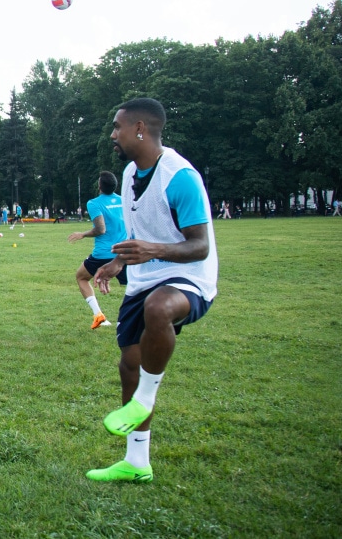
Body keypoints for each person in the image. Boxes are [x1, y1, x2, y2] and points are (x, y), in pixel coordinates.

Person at [86, 98, 218, 483]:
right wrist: (119, 262)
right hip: (143, 277)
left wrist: (153, 251)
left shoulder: (180, 177)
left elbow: (200, 246)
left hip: (189, 277)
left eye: (117, 127)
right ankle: (137, 462)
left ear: (140, 128)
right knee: (129, 365)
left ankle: (145, 398)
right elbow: (138, 232)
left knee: (159, 309)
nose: (113, 134)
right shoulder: (128, 175)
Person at [67, 172, 127, 329]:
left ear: (99, 186)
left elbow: (100, 229)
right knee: (136, 285)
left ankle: (99, 315)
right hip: (124, 252)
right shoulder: (123, 201)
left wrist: (83, 234)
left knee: (81, 277)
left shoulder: (94, 203)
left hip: (103, 253)